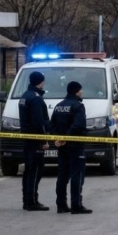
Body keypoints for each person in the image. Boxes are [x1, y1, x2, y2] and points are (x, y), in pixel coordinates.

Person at [49, 81, 90, 214]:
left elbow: (52, 124)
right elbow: (78, 125)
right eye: (81, 90)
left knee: (62, 175)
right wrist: (66, 138)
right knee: (77, 175)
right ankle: (76, 205)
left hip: (62, 146)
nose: (82, 92)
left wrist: (57, 138)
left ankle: (61, 205)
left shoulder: (59, 106)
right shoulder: (78, 106)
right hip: (75, 145)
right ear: (77, 91)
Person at [19, 71, 50, 211]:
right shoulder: (36, 98)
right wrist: (44, 140)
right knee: (36, 170)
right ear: (40, 82)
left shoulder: (25, 96)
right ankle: (32, 201)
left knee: (28, 170)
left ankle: (27, 200)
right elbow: (39, 123)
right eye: (43, 81)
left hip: (27, 138)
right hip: (35, 139)